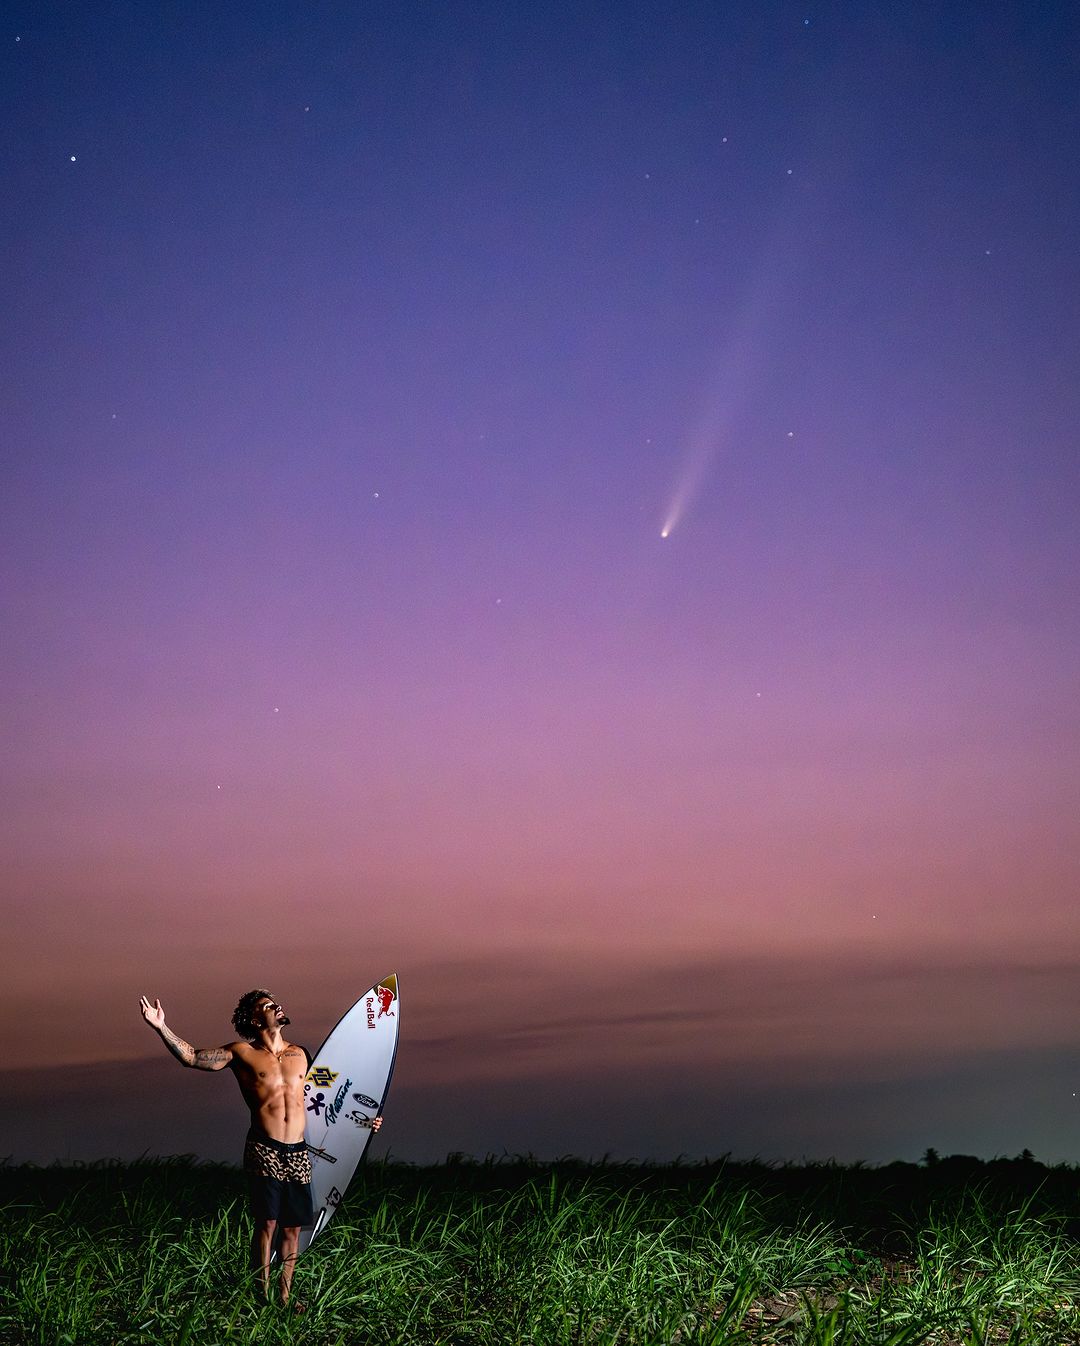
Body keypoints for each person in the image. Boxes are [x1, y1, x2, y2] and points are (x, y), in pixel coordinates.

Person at [139, 989, 381, 1306]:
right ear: (256, 1019)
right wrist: (161, 1027)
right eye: (268, 1005)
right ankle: (261, 1297)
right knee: (267, 1222)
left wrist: (363, 1123)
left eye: (276, 1002)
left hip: (297, 1152)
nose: (277, 1006)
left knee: (293, 1228)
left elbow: (330, 1097)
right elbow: (193, 1057)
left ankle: (284, 1296)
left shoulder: (303, 1055)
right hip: (264, 1148)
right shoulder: (242, 1054)